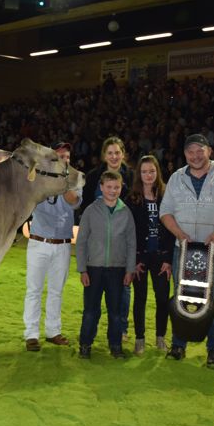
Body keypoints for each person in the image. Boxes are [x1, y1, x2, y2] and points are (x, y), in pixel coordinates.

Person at [159, 133, 214, 368]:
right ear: (185, 154)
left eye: (200, 150)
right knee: (182, 296)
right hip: (183, 249)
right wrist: (179, 234)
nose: (195, 156)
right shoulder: (177, 178)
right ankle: (178, 345)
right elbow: (165, 211)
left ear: (209, 151)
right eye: (190, 151)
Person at [22, 142, 81, 351]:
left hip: (62, 243)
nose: (65, 160)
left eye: (67, 157)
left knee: (56, 290)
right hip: (39, 241)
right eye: (60, 156)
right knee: (34, 289)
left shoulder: (74, 179)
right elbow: (32, 198)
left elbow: (74, 201)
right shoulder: (39, 178)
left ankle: (53, 331)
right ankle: (31, 334)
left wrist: (62, 180)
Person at [76, 171, 136, 359]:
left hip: (117, 270)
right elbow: (81, 241)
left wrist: (130, 269)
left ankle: (115, 345)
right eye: (109, 187)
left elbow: (131, 243)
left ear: (121, 188)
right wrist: (82, 269)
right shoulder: (91, 211)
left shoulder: (126, 212)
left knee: (116, 312)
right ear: (101, 187)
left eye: (116, 187)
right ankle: (85, 344)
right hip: (93, 269)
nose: (112, 191)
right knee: (90, 311)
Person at [81, 136, 134, 343]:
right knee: (93, 300)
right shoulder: (93, 177)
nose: (114, 156)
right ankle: (88, 337)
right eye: (110, 153)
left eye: (117, 152)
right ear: (104, 155)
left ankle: (121, 330)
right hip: (97, 250)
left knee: (123, 291)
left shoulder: (132, 177)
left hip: (122, 243)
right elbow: (85, 207)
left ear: (123, 154)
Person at [127, 155, 173, 355]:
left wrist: (168, 259)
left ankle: (160, 337)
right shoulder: (132, 198)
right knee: (140, 298)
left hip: (161, 257)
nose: (148, 175)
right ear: (139, 174)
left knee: (162, 298)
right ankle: (140, 339)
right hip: (141, 257)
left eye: (152, 171)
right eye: (144, 172)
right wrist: (134, 260)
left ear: (157, 172)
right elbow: (128, 232)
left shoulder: (167, 196)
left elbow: (171, 229)